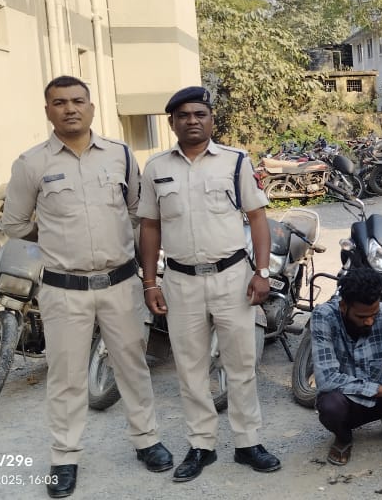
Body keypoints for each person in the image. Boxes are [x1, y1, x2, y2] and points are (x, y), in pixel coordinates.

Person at [2, 75, 172, 498]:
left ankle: (147, 440)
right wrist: (58, 238)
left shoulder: (119, 155)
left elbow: (136, 211)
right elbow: (16, 224)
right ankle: (64, 457)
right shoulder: (31, 163)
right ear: (48, 111)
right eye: (60, 102)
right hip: (64, 289)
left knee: (132, 366)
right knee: (66, 376)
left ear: (91, 107)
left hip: (119, 283)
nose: (70, 109)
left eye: (78, 101)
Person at [138, 86, 280, 482]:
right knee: (190, 368)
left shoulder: (236, 161)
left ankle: (248, 443)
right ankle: (201, 445)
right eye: (183, 115)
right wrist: (149, 282)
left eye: (200, 114)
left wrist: (262, 272)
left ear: (212, 119)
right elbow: (149, 226)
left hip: (232, 278)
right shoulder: (156, 168)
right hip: (180, 281)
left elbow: (257, 218)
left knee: (241, 364)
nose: (192, 121)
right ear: (172, 123)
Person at [310, 267, 382, 465]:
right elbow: (327, 378)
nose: (370, 321)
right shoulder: (323, 317)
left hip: (380, 397)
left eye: (374, 314)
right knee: (330, 407)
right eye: (362, 317)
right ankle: (343, 437)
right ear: (344, 306)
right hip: (346, 399)